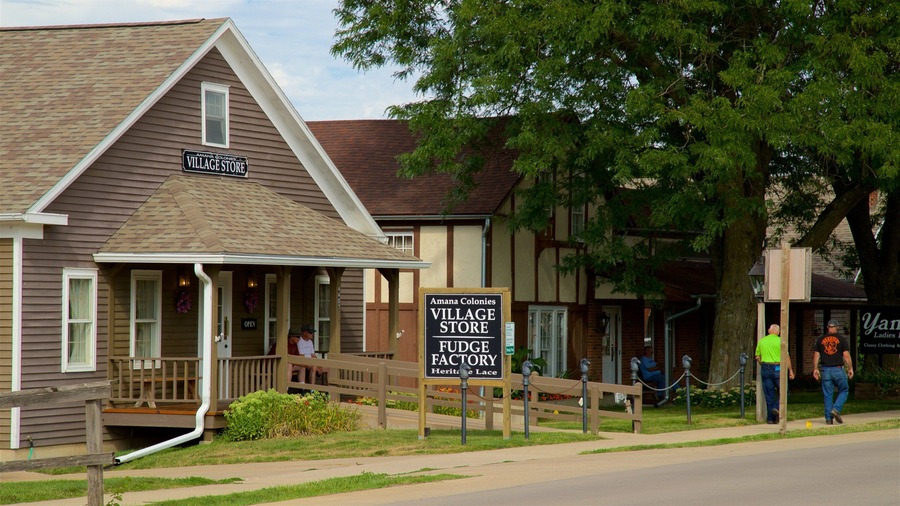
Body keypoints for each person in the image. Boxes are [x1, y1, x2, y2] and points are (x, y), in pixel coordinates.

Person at [813, 319, 853, 425]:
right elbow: (846, 355)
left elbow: (817, 355)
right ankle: (836, 409)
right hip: (838, 369)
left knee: (827, 394)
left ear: (827, 328)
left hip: (825, 370)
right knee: (844, 389)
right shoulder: (842, 339)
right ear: (837, 327)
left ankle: (828, 419)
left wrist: (815, 369)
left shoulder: (820, 339)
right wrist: (850, 368)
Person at [754, 324, 794, 424]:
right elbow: (787, 357)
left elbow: (758, 357)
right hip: (778, 367)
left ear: (768, 330)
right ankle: (776, 408)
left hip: (765, 367)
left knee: (769, 394)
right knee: (785, 391)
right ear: (778, 332)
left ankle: (771, 419)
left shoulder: (762, 341)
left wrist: (763, 364)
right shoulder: (781, 341)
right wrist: (791, 370)